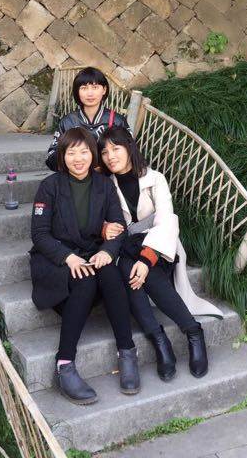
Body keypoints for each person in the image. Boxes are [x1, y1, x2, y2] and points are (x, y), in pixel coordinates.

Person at [99, 126, 224, 382]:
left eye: (116, 148)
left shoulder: (155, 179)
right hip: (126, 249)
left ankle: (192, 332)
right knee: (127, 269)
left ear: (129, 148)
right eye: (104, 152)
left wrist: (147, 259)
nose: (110, 156)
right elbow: (99, 219)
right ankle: (160, 340)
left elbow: (167, 221)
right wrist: (104, 228)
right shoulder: (105, 184)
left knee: (140, 271)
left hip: (159, 249)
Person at [30, 126, 140, 405]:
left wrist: (107, 251)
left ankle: (127, 352)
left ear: (93, 154)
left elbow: (118, 227)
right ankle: (64, 363)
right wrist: (67, 257)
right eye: (71, 152)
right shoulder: (50, 186)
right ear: (62, 156)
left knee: (110, 272)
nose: (78, 159)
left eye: (83, 152)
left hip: (91, 253)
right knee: (86, 279)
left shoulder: (104, 185)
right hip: (57, 259)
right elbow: (40, 234)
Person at [45, 67, 131, 171]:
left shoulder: (117, 121)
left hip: (110, 177)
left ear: (104, 90)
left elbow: (131, 152)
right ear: (77, 91)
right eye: (84, 88)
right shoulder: (68, 122)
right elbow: (51, 157)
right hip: (75, 177)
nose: (90, 93)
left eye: (95, 87)